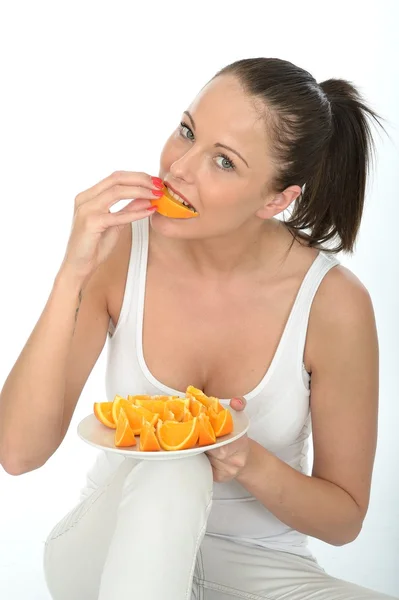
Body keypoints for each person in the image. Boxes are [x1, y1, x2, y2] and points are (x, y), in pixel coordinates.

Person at [0, 57, 395, 600]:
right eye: (186, 131)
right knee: (175, 468)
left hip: (256, 569)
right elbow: (18, 453)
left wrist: (247, 459)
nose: (179, 166)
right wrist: (73, 272)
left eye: (224, 162)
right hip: (106, 550)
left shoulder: (335, 304)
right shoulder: (121, 249)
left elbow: (344, 518)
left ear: (278, 199)